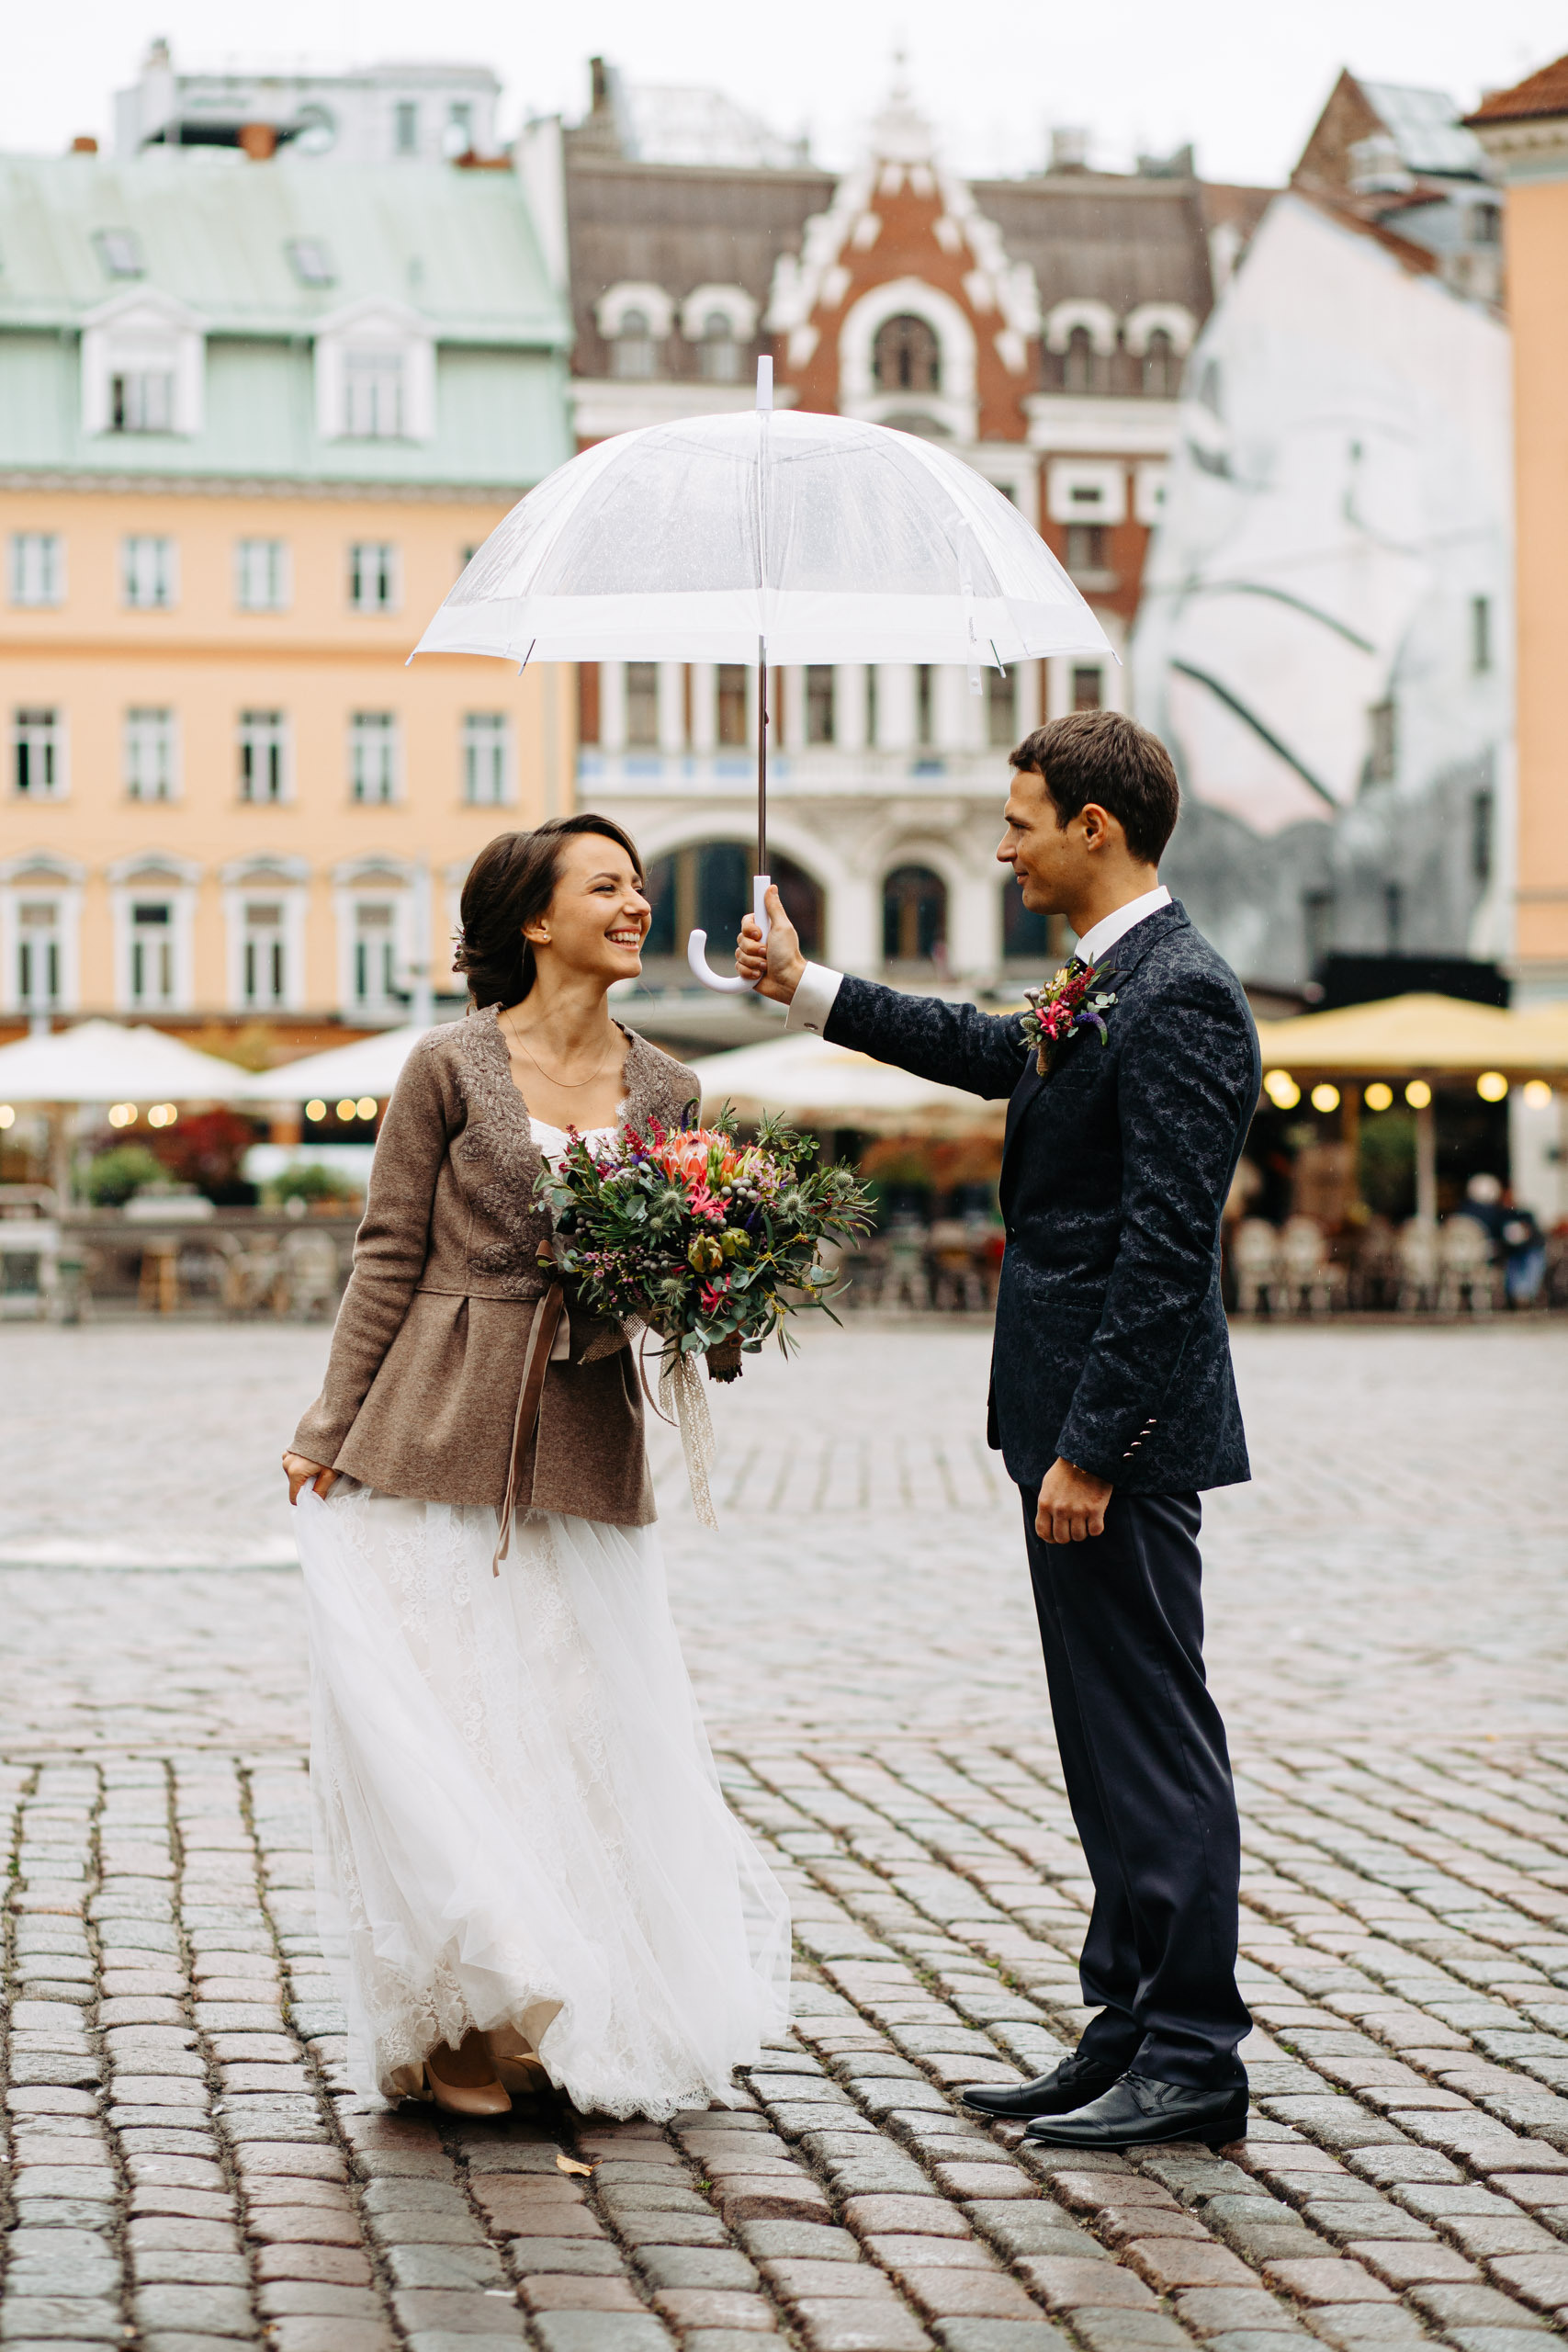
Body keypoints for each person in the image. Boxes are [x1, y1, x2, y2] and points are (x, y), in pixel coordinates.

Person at [737, 709, 1260, 2153]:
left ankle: (1197, 2050)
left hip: (1121, 1434)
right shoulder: (1102, 981)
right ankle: (1128, 2025)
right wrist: (807, 988)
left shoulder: (1183, 995)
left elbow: (1166, 1249)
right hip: (1067, 1418)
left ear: (1095, 826)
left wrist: (1093, 1448)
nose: (1001, 843)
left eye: (1021, 819)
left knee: (1153, 1735)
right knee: (1105, 1736)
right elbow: (984, 1052)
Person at [281, 815, 790, 2120]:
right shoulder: (446, 1066)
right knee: (440, 1726)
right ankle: (462, 2021)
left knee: (572, 1730)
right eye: (605, 887)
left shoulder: (671, 1087)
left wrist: (722, 1279)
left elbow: (688, 1301)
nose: (635, 904)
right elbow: (387, 1255)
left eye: (638, 886)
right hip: (431, 1424)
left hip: (584, 1437)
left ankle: (546, 2003)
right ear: (532, 920)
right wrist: (328, 1427)